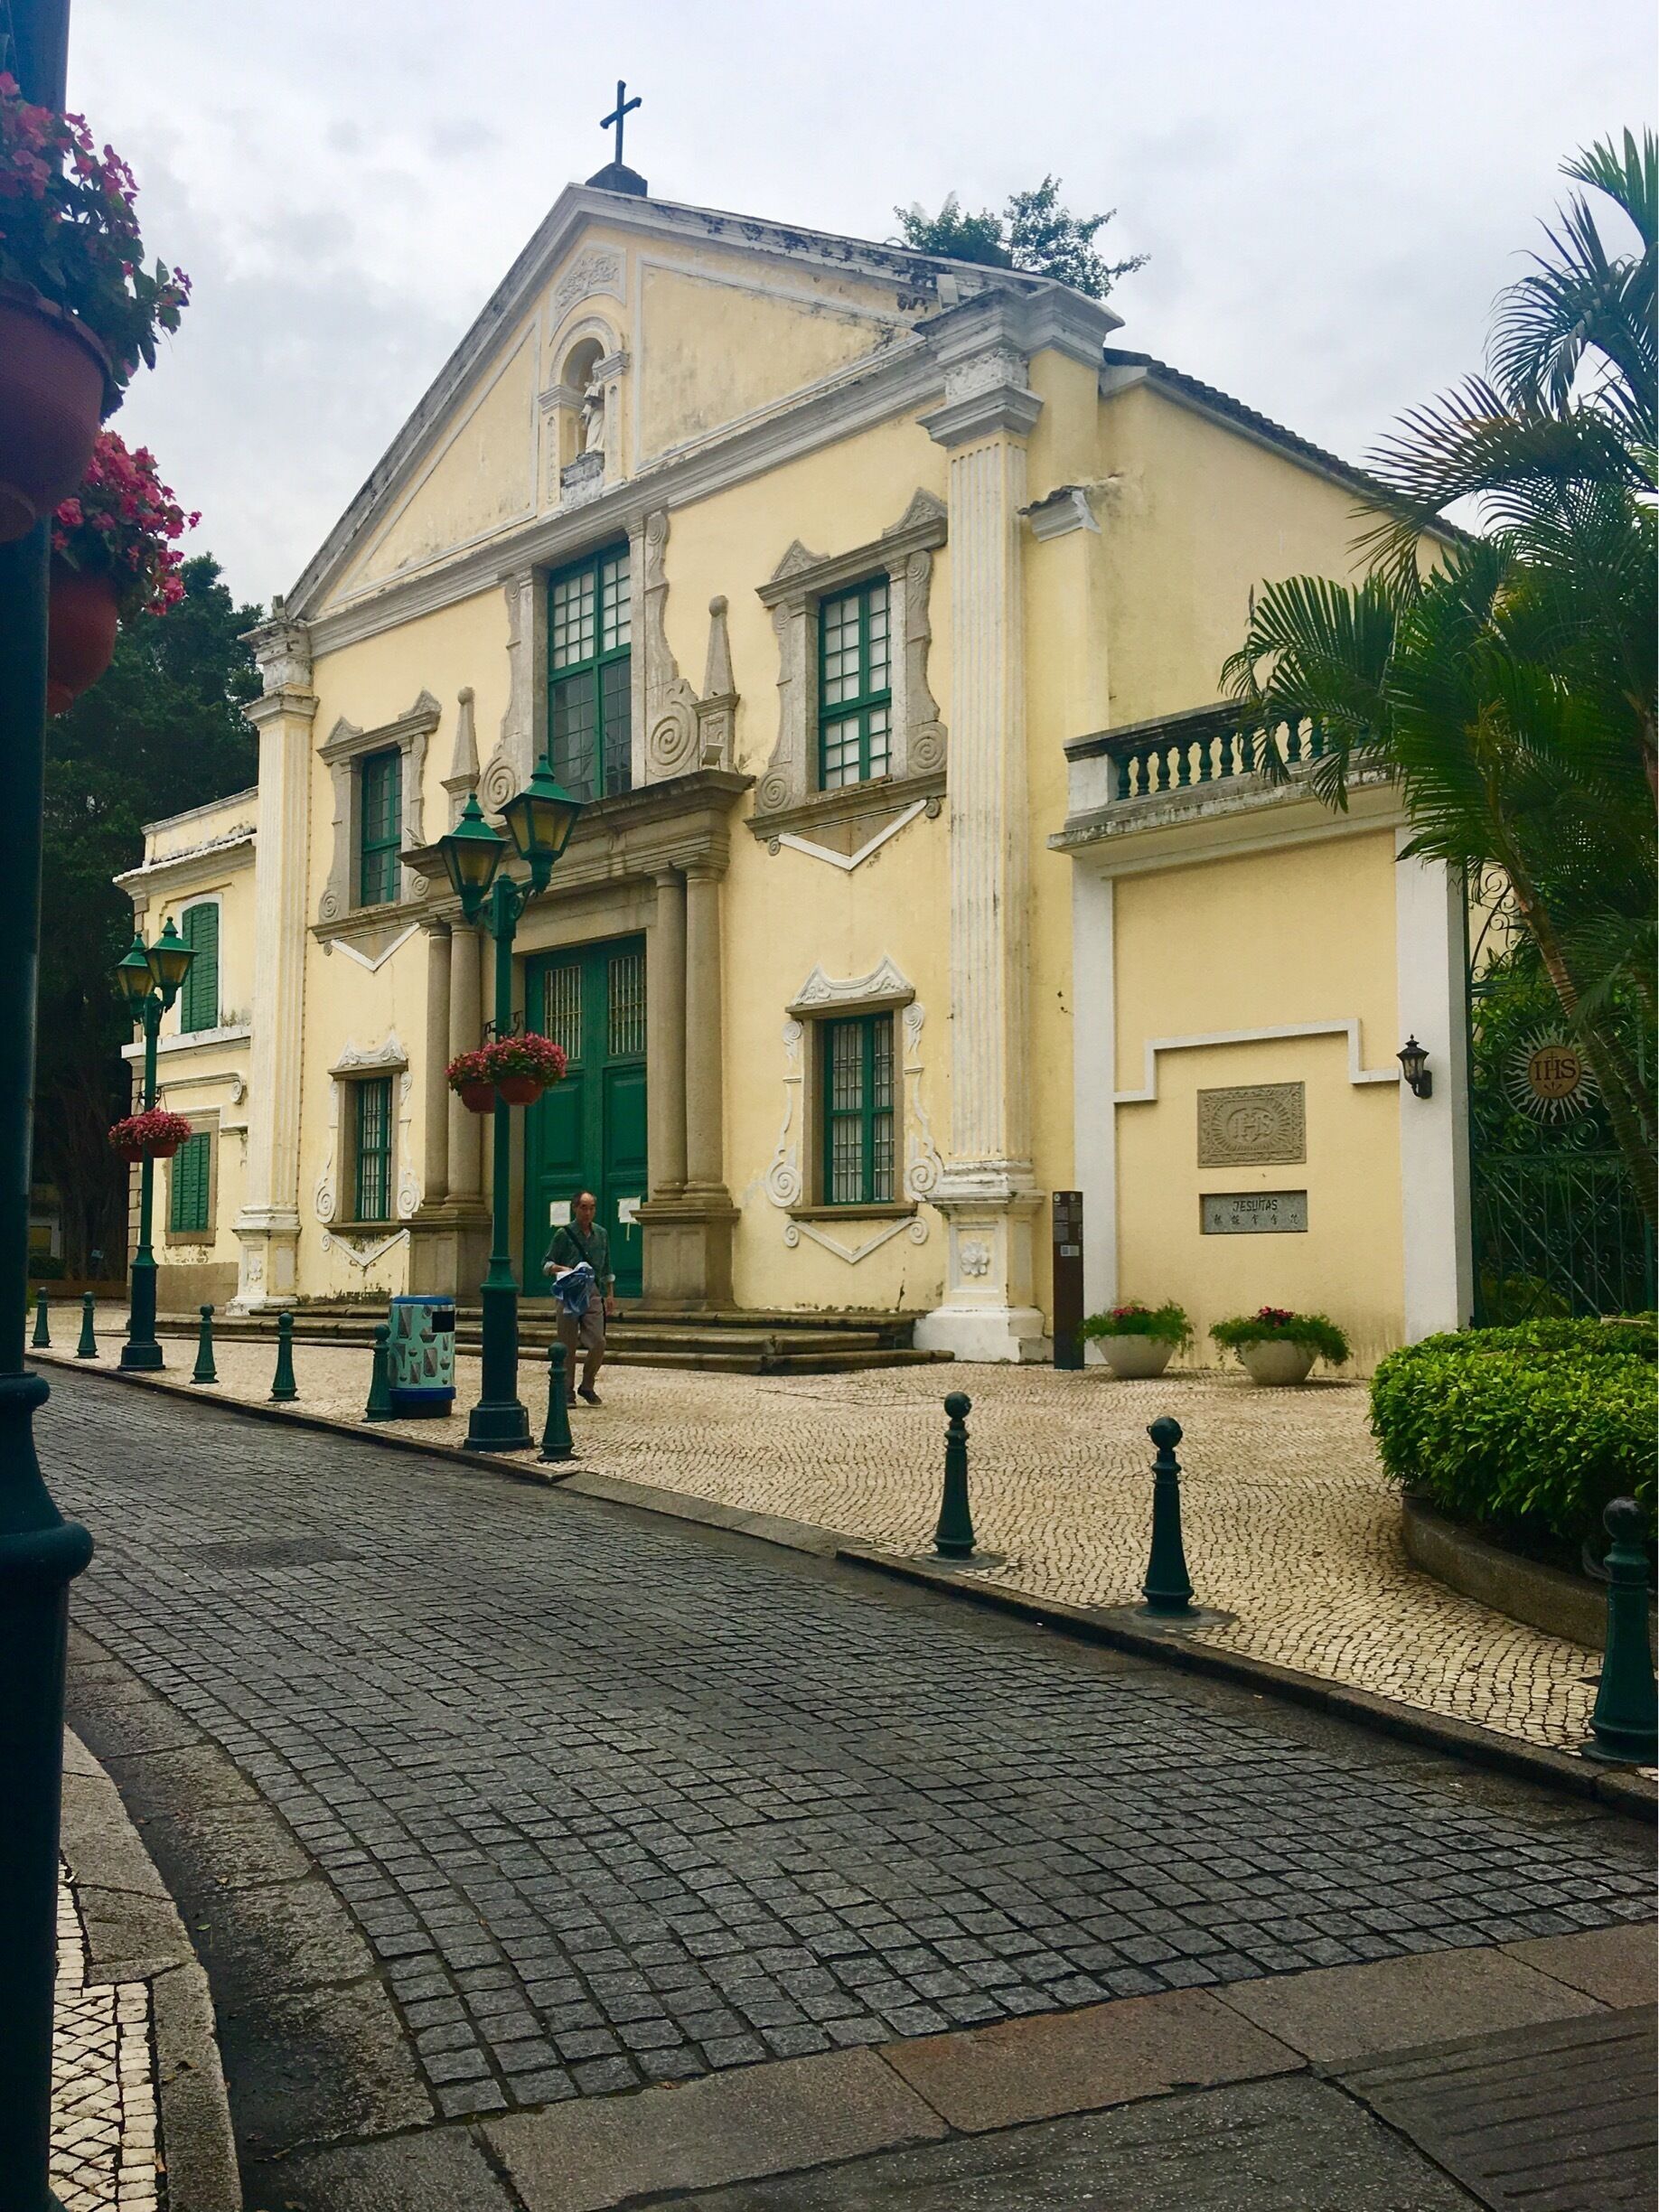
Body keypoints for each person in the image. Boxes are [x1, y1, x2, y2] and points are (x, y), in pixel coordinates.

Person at [543, 1190, 614, 1403]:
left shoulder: (601, 1234)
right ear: (575, 1208)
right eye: (584, 1207)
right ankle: (566, 1390)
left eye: (592, 1207)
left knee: (599, 1342)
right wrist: (560, 1268)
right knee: (567, 1343)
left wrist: (610, 1294)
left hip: (593, 1291)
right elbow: (545, 1264)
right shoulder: (564, 1234)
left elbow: (608, 1265)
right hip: (569, 1293)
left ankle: (587, 1384)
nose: (588, 1212)